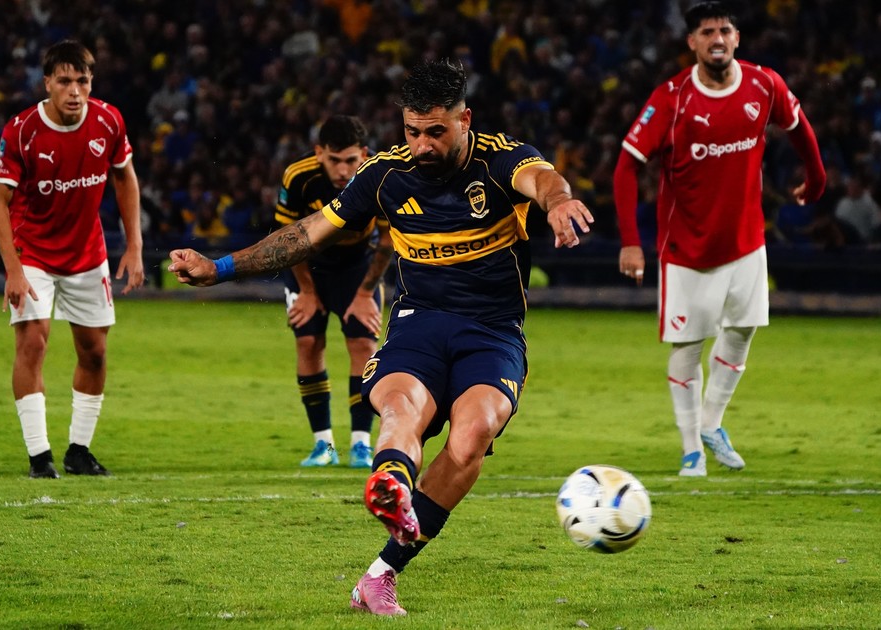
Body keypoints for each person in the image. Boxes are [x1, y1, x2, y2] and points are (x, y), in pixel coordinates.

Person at [169, 59, 593, 616]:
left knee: (472, 435)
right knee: (400, 408)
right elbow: (306, 234)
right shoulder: (385, 174)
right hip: (419, 325)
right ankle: (391, 484)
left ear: (465, 119)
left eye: (436, 131)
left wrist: (558, 202)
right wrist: (219, 268)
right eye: (412, 131)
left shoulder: (500, 159)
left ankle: (380, 574)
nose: (422, 145)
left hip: (492, 332)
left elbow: (542, 179)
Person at [613, 2, 826, 477]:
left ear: (736, 38)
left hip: (747, 241)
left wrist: (816, 178)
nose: (717, 38)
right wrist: (630, 240)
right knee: (688, 346)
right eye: (707, 31)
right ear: (692, 42)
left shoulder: (763, 84)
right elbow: (626, 166)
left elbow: (800, 129)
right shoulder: (671, 99)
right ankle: (691, 449)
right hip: (687, 250)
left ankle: (711, 424)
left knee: (743, 330)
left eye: (725, 30)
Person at [0, 40, 144, 479]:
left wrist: (134, 245)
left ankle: (79, 451)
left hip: (87, 253)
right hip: (32, 252)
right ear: (47, 84)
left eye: (82, 81)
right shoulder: (21, 131)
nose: (74, 91)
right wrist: (13, 270)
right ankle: (40, 457)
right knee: (33, 343)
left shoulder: (108, 121)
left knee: (95, 353)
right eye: (64, 81)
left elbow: (125, 178)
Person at [275, 114, 393, 469]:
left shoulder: (380, 176)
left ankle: (361, 444)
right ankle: (323, 444)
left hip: (358, 268)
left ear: (364, 154)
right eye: (334, 160)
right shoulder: (298, 176)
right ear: (319, 153)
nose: (342, 170)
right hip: (307, 266)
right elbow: (287, 240)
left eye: (350, 160)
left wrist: (364, 293)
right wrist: (307, 292)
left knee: (363, 345)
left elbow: (388, 241)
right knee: (308, 342)